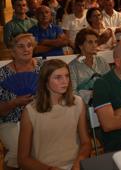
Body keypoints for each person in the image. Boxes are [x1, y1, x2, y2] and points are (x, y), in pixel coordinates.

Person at [18, 59, 91, 170]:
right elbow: (23, 159)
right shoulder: (30, 111)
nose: (65, 81)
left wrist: (78, 161)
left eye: (67, 76)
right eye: (58, 77)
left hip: (74, 164)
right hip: (43, 167)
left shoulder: (77, 103)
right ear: (45, 81)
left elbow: (86, 142)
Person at [0, 34, 43, 169]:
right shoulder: (2, 74)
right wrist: (14, 103)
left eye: (29, 45)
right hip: (11, 120)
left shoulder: (43, 68)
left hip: (41, 116)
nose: (26, 49)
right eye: (20, 46)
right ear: (12, 52)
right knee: (19, 151)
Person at [69, 29, 110, 104]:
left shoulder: (101, 61)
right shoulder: (72, 67)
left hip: (105, 102)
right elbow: (73, 92)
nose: (94, 45)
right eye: (90, 42)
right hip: (83, 105)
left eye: (96, 42)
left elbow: (110, 83)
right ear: (80, 46)